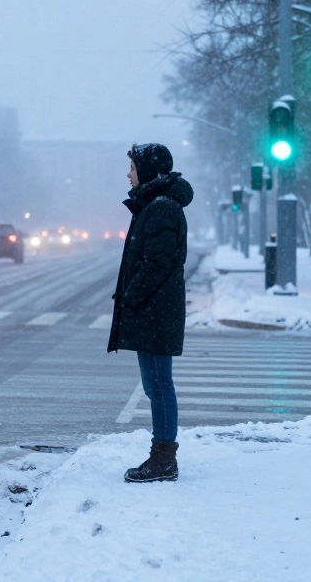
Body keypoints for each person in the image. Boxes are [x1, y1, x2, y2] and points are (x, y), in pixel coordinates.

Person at [108, 143, 192, 483]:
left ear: (147, 170)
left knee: (158, 386)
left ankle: (164, 460)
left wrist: (131, 296)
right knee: (155, 385)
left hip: (156, 311)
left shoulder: (160, 208)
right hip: (155, 310)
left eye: (132, 167)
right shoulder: (155, 205)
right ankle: (162, 456)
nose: (128, 174)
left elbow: (157, 262)